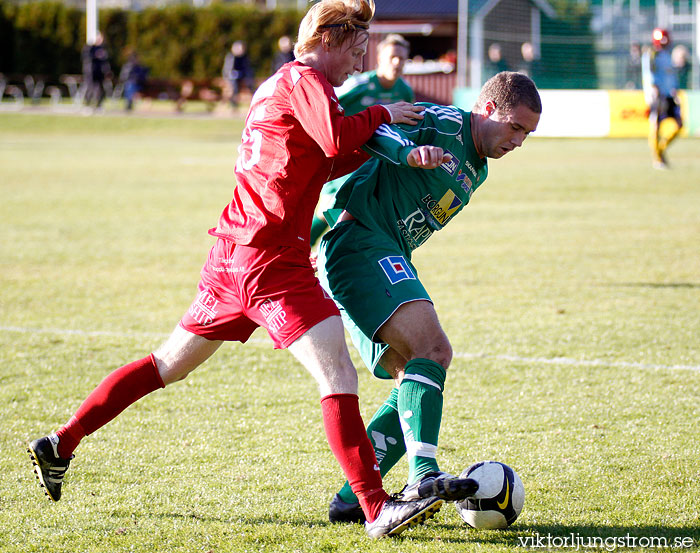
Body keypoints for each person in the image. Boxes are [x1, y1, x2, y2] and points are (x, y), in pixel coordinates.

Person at [27, 0, 478, 539]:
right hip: (271, 260)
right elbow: (336, 137)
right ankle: (377, 507)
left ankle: (62, 442)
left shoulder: (278, 85)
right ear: (331, 39)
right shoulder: (304, 79)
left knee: (167, 364)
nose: (361, 63)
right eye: (358, 50)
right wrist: (380, 116)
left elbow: (322, 160)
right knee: (337, 371)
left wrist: (389, 151)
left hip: (232, 256)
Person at [316, 71, 542, 524]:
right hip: (356, 237)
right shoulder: (441, 124)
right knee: (434, 350)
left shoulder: (477, 169)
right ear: (487, 110)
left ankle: (350, 498)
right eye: (515, 127)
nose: (518, 141)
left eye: (528, 134)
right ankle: (423, 475)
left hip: (385, 253)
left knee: (413, 375)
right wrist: (406, 151)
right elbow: (373, 132)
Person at [310, 33, 414, 247]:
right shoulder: (359, 85)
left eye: (402, 59)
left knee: (350, 216)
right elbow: (326, 110)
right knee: (334, 210)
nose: (397, 63)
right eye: (392, 57)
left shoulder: (404, 91)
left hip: (375, 164)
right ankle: (304, 251)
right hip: (342, 161)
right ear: (379, 59)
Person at [643, 28, 683, 170]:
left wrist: (675, 90)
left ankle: (660, 149)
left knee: (679, 125)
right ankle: (657, 159)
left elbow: (671, 76)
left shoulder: (667, 55)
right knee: (656, 125)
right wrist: (655, 90)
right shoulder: (651, 54)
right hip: (658, 96)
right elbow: (650, 73)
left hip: (669, 95)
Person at [81, 32, 111, 112]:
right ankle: (87, 105)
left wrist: (107, 71)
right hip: (91, 72)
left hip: (100, 73)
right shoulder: (89, 48)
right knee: (90, 88)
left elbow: (105, 62)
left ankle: (99, 105)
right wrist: (96, 56)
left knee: (100, 89)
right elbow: (87, 58)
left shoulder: (103, 49)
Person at [222, 40, 256, 109]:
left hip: (243, 76)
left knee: (251, 85)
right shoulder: (231, 57)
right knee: (234, 87)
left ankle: (254, 103)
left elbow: (248, 69)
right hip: (232, 78)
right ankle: (233, 104)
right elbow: (227, 70)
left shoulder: (245, 58)